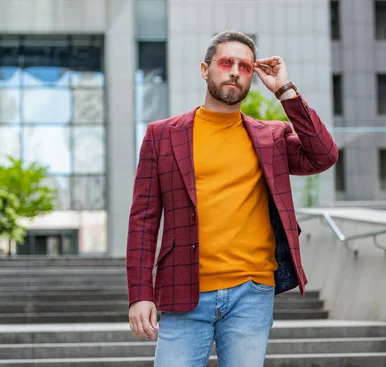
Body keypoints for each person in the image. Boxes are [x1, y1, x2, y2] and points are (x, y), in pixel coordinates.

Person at [125, 31, 338, 367]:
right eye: (226, 62)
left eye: (246, 66)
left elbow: (323, 155)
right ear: (204, 69)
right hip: (184, 290)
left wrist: (285, 91)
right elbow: (143, 220)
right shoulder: (163, 135)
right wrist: (140, 294)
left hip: (251, 293)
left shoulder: (271, 137)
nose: (235, 71)